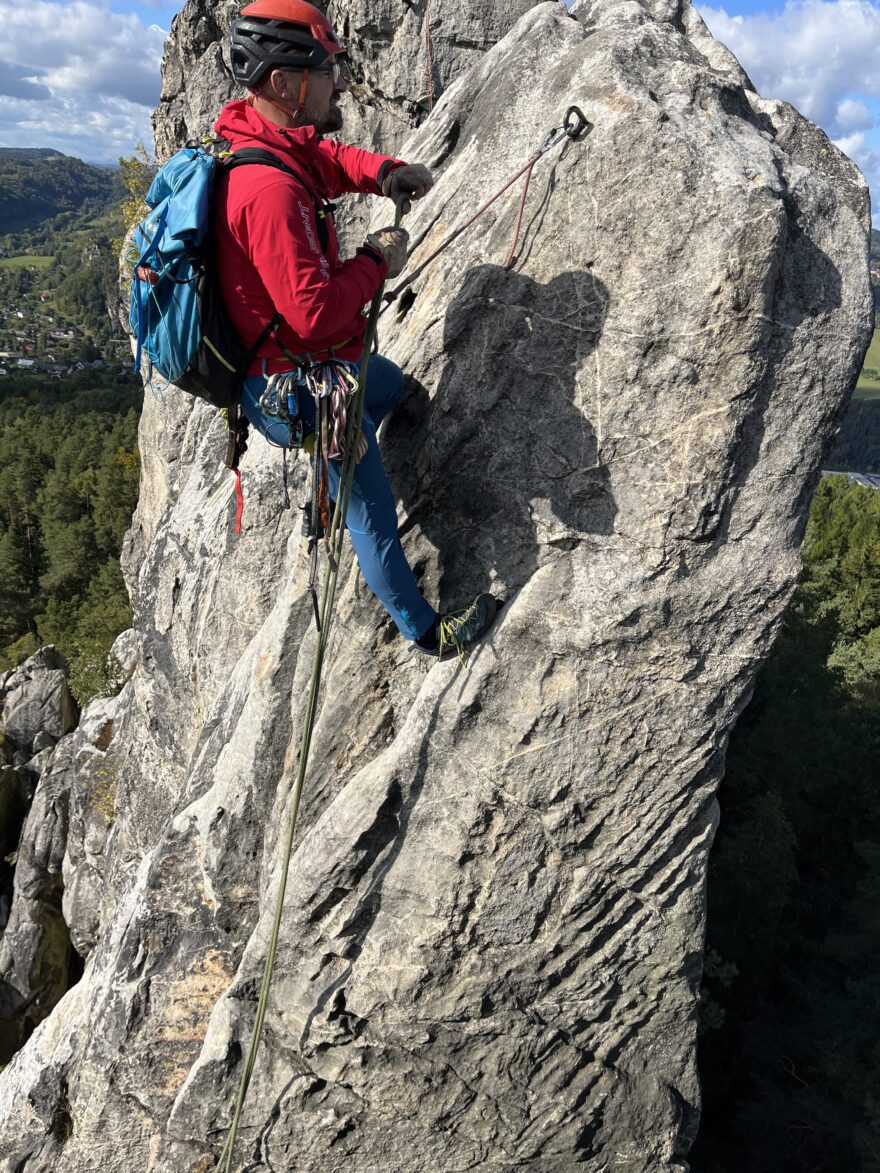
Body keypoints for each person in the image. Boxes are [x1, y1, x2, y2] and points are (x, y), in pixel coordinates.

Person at [215, 0, 498, 658]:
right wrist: (376, 259)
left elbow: (325, 155)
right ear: (285, 82)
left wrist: (383, 173)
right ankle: (426, 632)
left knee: (392, 383)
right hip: (302, 390)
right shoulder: (268, 192)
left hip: (308, 363)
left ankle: (356, 442)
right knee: (370, 508)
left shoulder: (267, 139)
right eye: (325, 69)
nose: (337, 81)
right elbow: (315, 313)